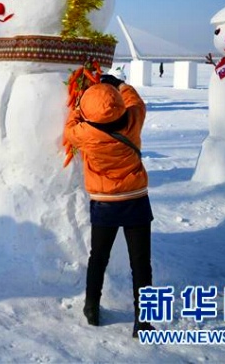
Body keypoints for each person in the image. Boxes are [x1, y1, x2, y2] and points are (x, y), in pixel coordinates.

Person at [64, 74, 155, 337]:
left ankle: (91, 306)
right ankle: (144, 320)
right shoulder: (134, 120)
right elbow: (135, 100)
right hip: (136, 199)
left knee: (98, 258)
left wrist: (82, 102)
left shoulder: (85, 134)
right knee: (141, 263)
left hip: (105, 204)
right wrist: (119, 85)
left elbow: (70, 124)